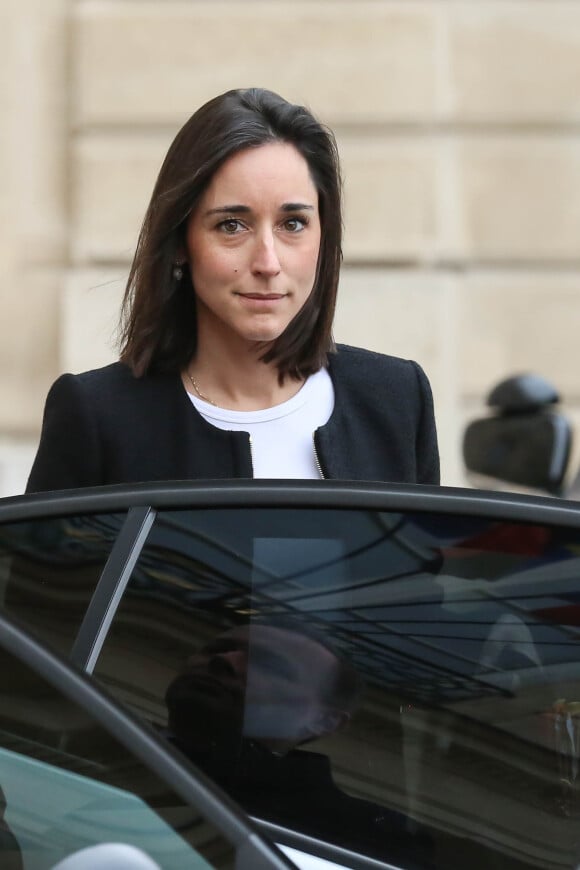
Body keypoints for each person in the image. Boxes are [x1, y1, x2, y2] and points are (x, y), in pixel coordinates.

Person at [26, 87, 439, 492]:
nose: (268, 262)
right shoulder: (99, 416)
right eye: (231, 226)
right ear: (180, 244)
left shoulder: (397, 399)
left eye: (292, 223)